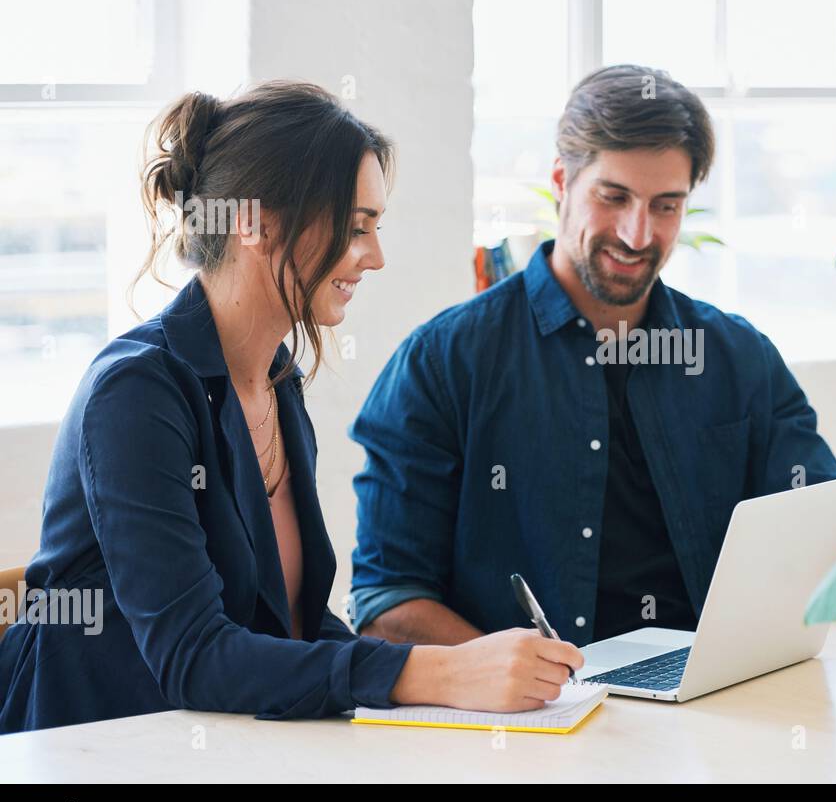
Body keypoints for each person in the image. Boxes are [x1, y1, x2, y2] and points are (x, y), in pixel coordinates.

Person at [350, 65, 836, 648]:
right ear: (561, 184)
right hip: (528, 729)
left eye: (667, 205)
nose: (638, 234)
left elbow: (833, 544)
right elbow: (385, 603)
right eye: (614, 198)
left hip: (708, 713)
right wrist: (512, 674)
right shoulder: (443, 363)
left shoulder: (735, 358)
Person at [0, 81, 582, 733]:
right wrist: (436, 672)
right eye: (355, 225)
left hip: (228, 749)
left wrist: (457, 674)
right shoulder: (135, 394)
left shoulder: (278, 382)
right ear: (253, 222)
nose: (376, 256)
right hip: (98, 757)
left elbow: (299, 631)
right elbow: (194, 657)